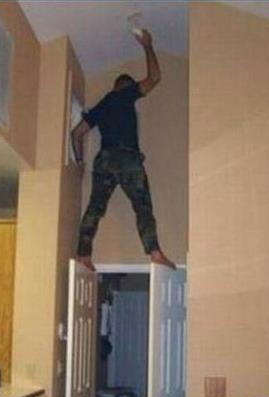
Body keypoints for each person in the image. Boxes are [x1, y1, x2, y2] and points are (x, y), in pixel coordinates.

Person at [71, 29, 176, 272]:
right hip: (127, 157)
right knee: (142, 206)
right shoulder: (124, 95)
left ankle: (84, 255)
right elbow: (155, 78)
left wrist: (80, 162)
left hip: (104, 159)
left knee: (95, 208)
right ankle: (155, 252)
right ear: (125, 87)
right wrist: (147, 44)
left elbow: (77, 133)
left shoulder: (102, 105)